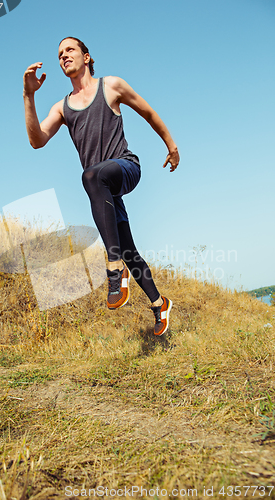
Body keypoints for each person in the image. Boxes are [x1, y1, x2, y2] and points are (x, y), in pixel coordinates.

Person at [23, 37, 180, 336]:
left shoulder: (111, 86)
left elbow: (148, 112)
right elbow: (37, 140)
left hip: (125, 168)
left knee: (91, 176)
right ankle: (160, 304)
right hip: (103, 190)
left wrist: (171, 146)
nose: (63, 56)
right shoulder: (62, 108)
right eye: (59, 54)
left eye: (69, 50)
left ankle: (113, 266)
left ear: (86, 56)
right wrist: (28, 96)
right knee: (129, 248)